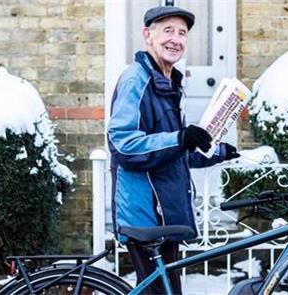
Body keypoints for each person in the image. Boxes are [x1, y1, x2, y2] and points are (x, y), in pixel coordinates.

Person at [107, 5, 240, 295]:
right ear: (148, 35)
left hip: (165, 210)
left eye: (182, 33)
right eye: (168, 31)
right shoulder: (136, 79)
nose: (176, 39)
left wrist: (216, 151)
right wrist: (181, 138)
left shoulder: (168, 82)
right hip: (145, 212)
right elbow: (123, 145)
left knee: (166, 291)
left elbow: (174, 150)